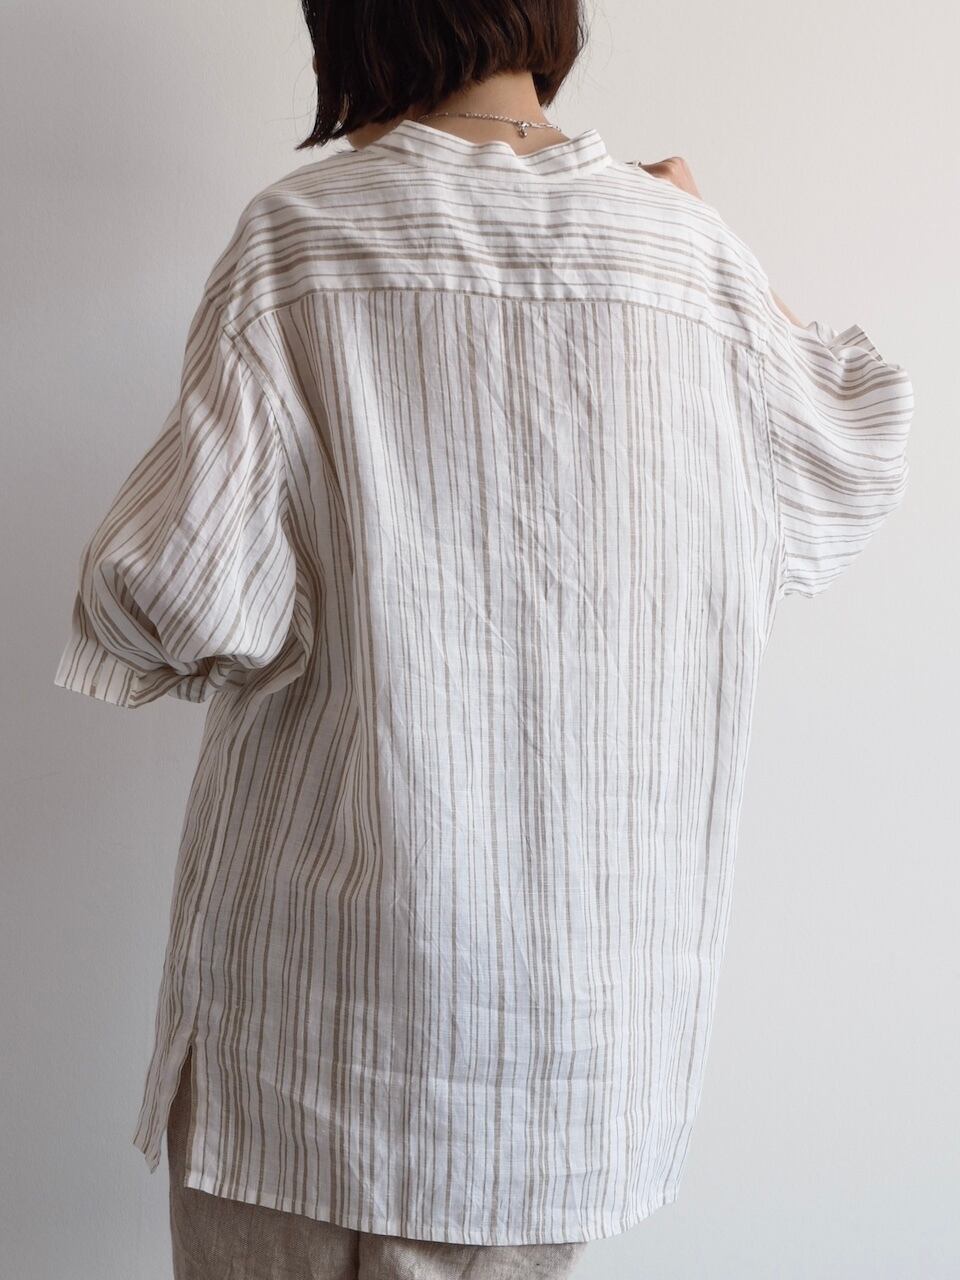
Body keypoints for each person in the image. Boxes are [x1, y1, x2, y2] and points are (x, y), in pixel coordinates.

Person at [52, 1, 914, 1277]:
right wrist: (708, 231)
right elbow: (857, 449)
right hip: (573, 1075)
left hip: (324, 1046)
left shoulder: (302, 243)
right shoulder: (690, 257)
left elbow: (171, 594)